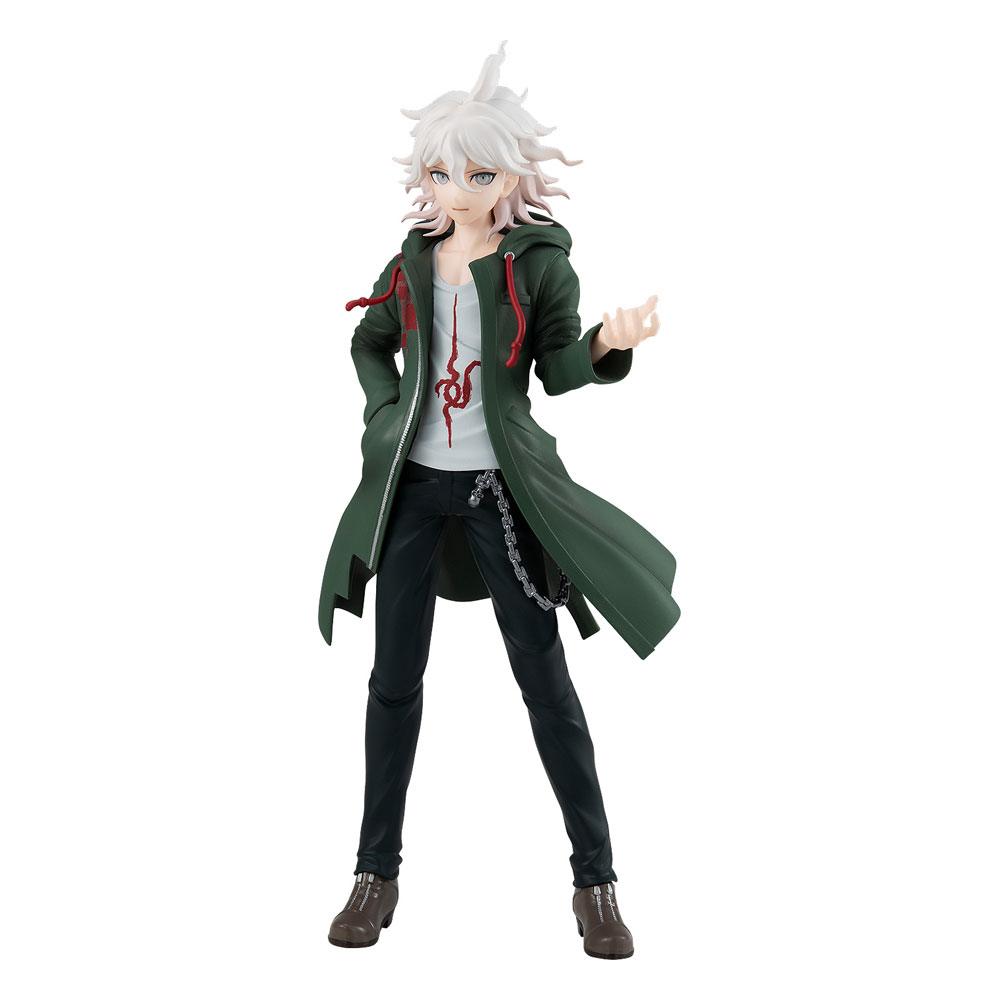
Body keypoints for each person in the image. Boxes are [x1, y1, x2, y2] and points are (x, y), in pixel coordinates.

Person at [320, 42, 680, 960]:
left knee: (545, 683)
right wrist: (385, 413)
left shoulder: (536, 266)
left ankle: (596, 882)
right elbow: (368, 342)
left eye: (478, 173)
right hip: (412, 491)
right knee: (393, 683)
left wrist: (605, 343)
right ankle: (374, 872)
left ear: (510, 175)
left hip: (498, 491)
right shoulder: (413, 262)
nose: (458, 189)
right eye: (443, 172)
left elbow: (558, 368)